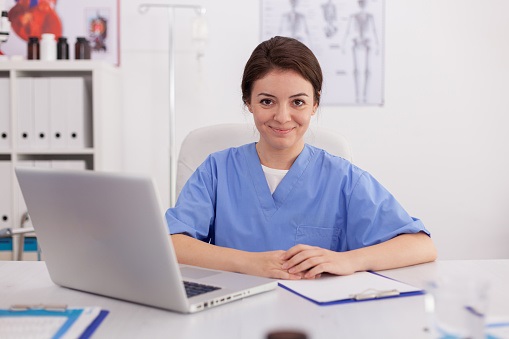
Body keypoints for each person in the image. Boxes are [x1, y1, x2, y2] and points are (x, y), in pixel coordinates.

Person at [166, 36, 436, 280]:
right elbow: (172, 242)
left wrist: (348, 260)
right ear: (248, 102)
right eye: (267, 101)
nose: (282, 117)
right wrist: (249, 263)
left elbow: (421, 245)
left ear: (314, 104)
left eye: (297, 102)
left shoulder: (343, 179)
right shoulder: (217, 170)